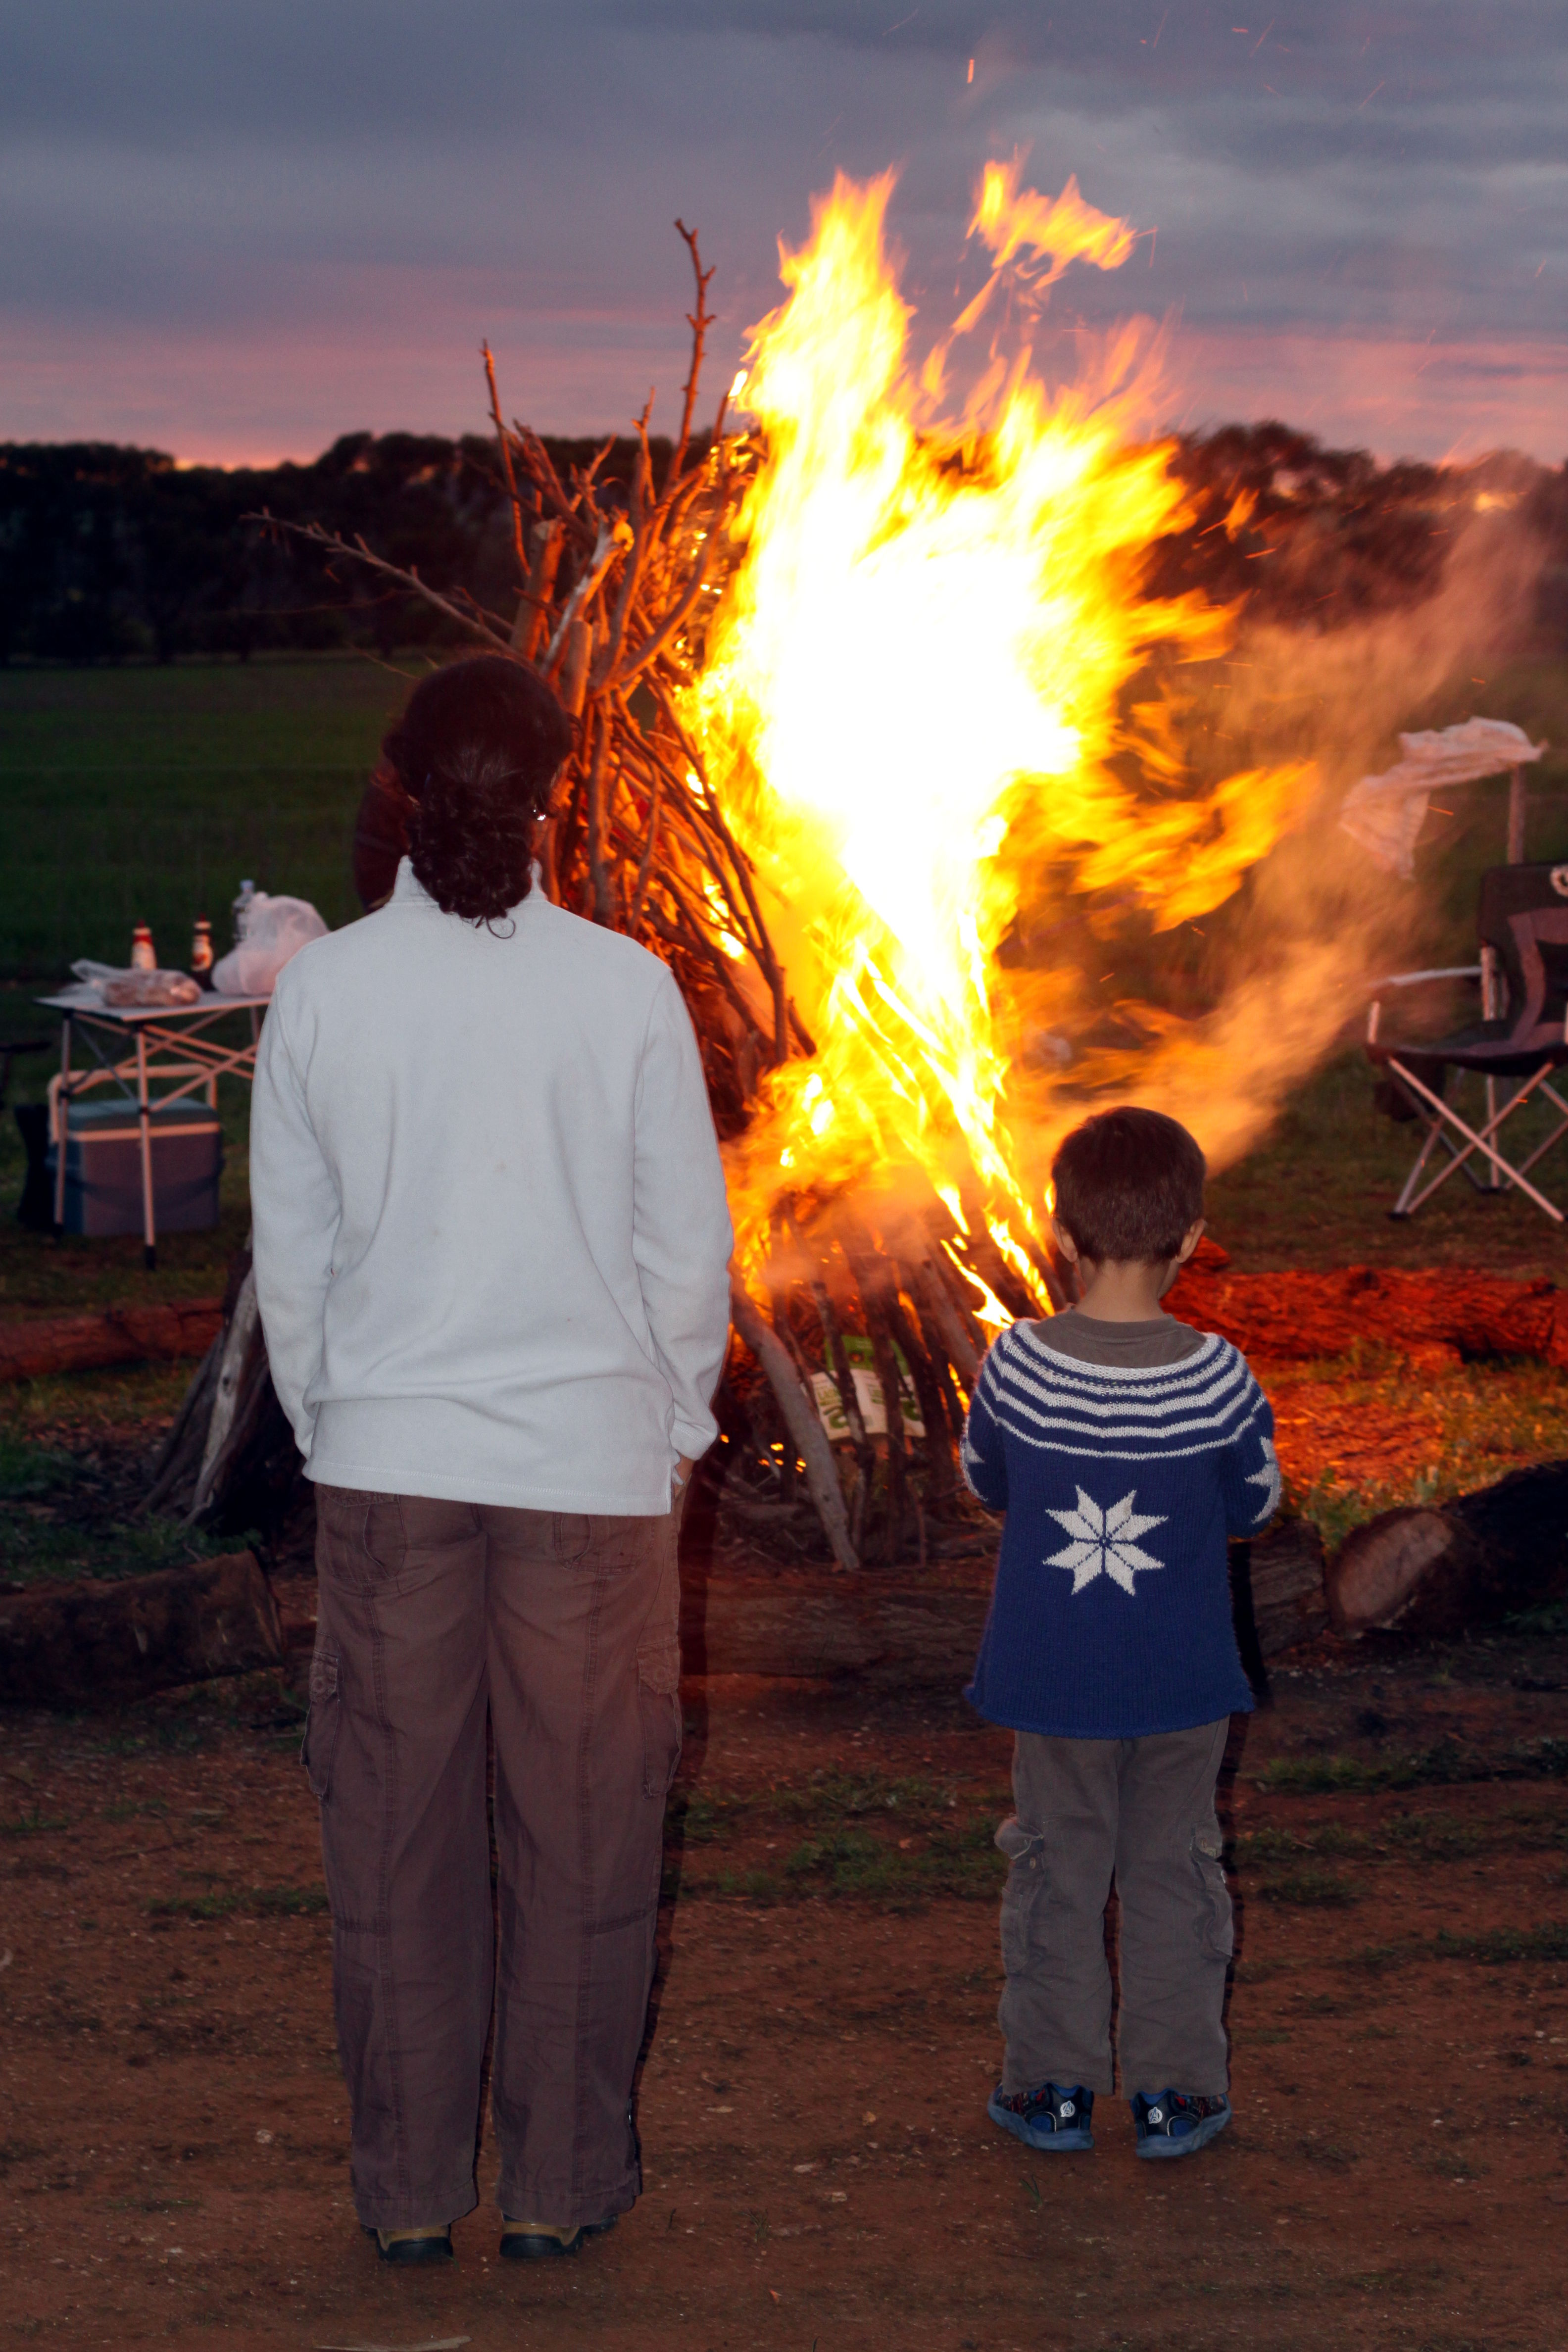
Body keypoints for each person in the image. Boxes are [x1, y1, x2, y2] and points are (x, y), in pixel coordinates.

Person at [249, 654, 733, 2265]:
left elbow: (292, 1254)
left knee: (392, 1835)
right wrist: (662, 1425)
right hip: (587, 1476)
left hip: (388, 1463)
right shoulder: (623, 987)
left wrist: (336, 1422)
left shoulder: (324, 989)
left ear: (396, 785)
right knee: (587, 1831)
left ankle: (402, 2199)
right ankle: (553, 2188)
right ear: (554, 796)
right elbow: (683, 1251)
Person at [960, 1105, 1278, 2160]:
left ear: (1058, 1231)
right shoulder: (1218, 1378)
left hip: (1054, 1681)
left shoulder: (1018, 1367)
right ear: (1193, 1235)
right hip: (1183, 1681)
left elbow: (985, 1479)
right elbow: (1256, 1505)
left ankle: (1050, 2089)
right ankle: (1175, 2097)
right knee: (1174, 1872)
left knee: (1056, 1867)